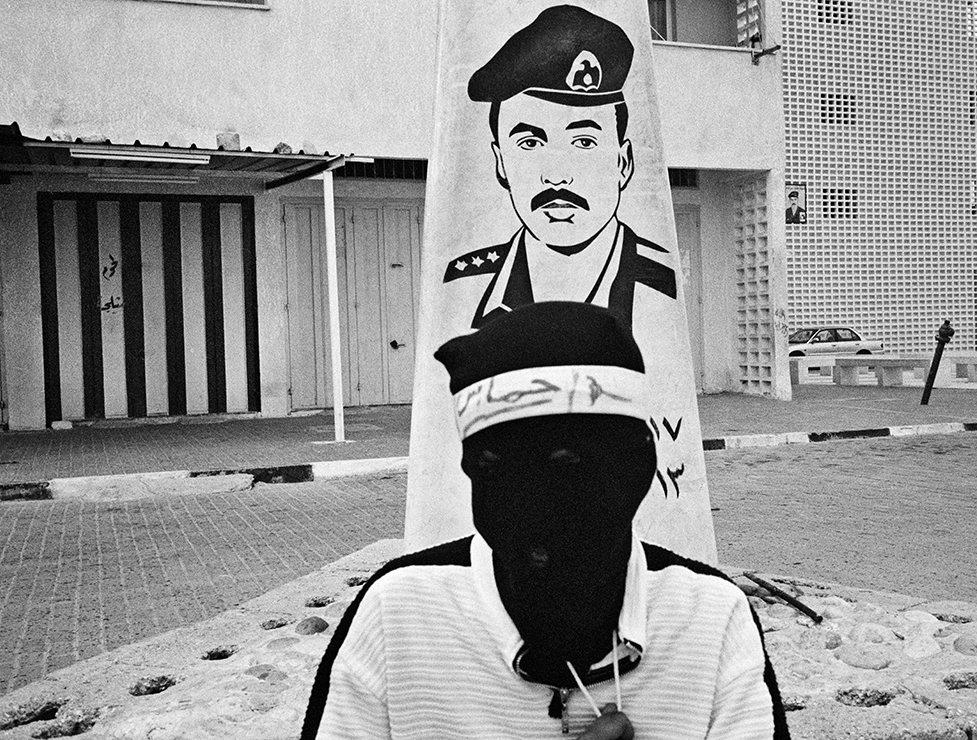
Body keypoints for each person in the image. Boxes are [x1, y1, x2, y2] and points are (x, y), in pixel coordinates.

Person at [301, 302, 790, 740]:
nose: (527, 506)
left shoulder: (709, 618)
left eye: (565, 466)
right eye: (493, 469)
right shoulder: (400, 612)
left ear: (639, 466)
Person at [443, 6, 677, 331]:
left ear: (623, 162)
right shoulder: (465, 283)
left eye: (584, 142)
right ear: (501, 163)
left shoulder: (662, 286)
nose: (556, 176)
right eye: (529, 143)